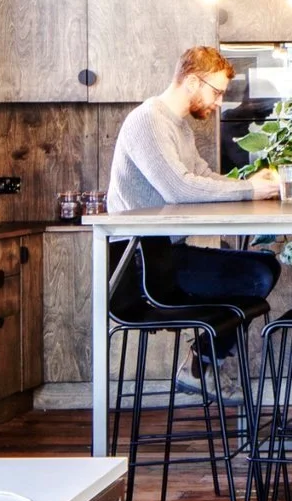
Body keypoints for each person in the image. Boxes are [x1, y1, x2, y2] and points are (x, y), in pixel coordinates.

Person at [107, 46, 282, 313]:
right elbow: (179, 189)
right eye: (216, 92)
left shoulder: (180, 126)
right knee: (258, 275)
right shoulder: (149, 120)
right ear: (191, 81)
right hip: (143, 263)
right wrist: (250, 189)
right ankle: (207, 353)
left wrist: (252, 184)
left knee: (268, 265)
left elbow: (203, 176)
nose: (220, 102)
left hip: (167, 254)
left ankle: (207, 351)